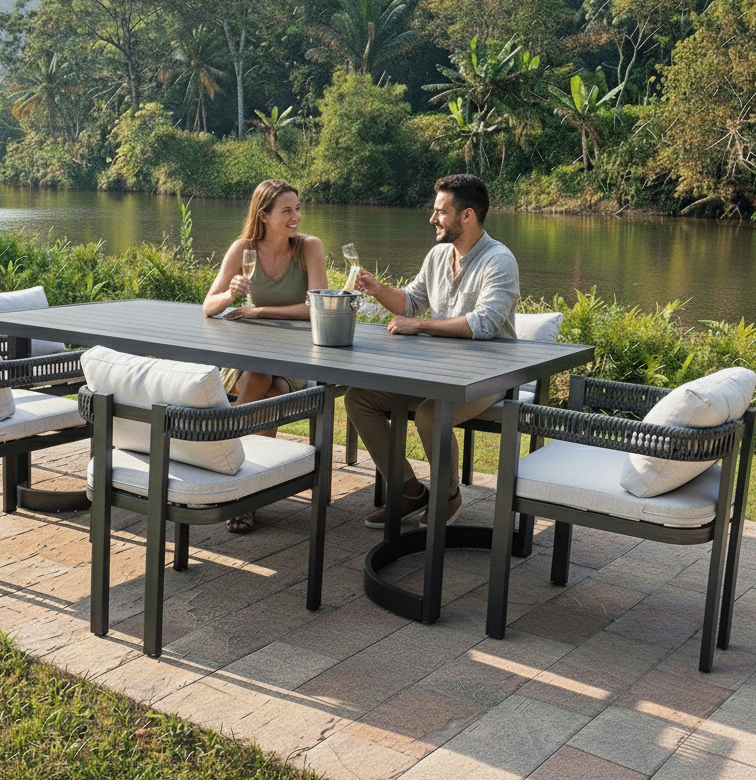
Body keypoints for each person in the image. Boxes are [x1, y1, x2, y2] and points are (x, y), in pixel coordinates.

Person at [344, 174, 519, 529]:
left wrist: (420, 325)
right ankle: (408, 490)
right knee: (358, 398)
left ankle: (448, 495)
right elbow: (410, 302)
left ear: (467, 215)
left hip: (487, 378)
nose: (432, 219)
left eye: (440, 212)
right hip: (436, 373)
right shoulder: (438, 255)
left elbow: (484, 324)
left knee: (429, 414)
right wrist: (377, 289)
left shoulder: (499, 261)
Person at [203, 179, 328, 532]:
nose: (296, 217)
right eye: (286, 211)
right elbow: (209, 306)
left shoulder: (309, 247)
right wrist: (230, 294)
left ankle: (223, 458)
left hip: (292, 357)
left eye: (298, 209)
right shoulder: (243, 249)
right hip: (247, 352)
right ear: (264, 216)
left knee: (271, 383)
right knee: (265, 383)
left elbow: (316, 307)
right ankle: (250, 490)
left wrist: (260, 311)